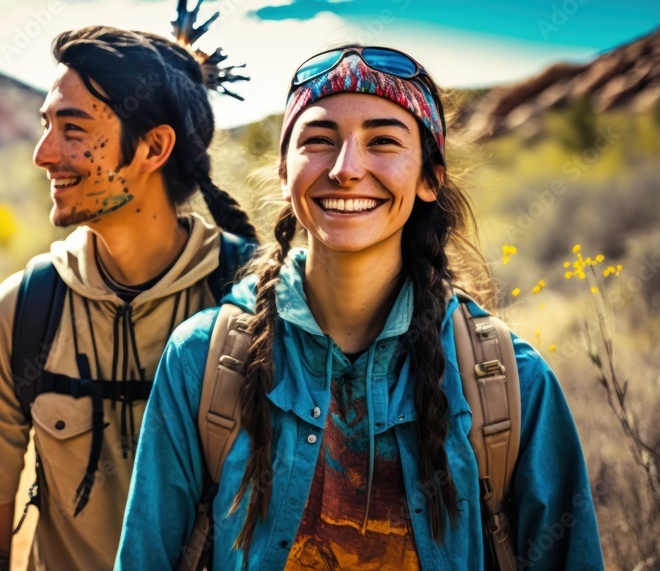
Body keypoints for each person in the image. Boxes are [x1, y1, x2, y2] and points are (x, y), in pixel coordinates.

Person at [117, 45, 604, 570]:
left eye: (384, 142)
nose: (347, 170)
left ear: (429, 178)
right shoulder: (202, 362)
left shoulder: (508, 383)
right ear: (285, 173)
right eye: (320, 142)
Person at [0, 20, 258, 571]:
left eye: (73, 128)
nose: (43, 153)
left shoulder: (259, 303)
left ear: (155, 147)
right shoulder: (23, 313)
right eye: (47, 126)